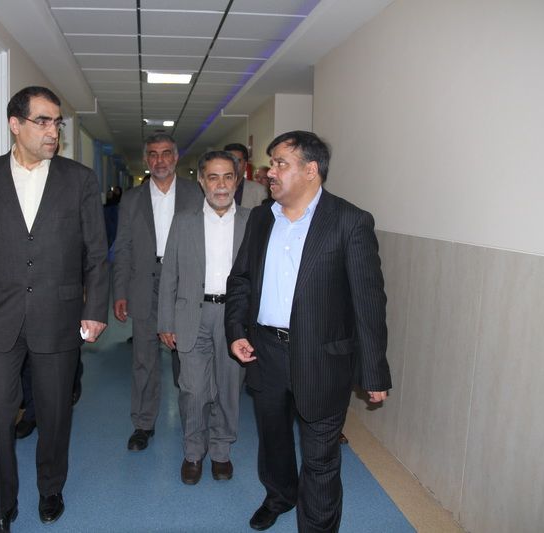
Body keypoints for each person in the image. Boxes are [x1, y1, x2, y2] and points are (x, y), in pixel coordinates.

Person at [0, 86, 108, 532]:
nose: (52, 131)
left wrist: (95, 309)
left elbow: (97, 253)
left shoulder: (79, 179)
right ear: (15, 124)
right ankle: (2, 507)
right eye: (42, 121)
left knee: (55, 412)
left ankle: (50, 488)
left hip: (58, 315)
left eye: (56, 122)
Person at [225, 131, 391, 532]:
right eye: (271, 163)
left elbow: (368, 303)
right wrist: (236, 330)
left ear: (311, 170)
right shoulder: (262, 218)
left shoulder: (350, 222)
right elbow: (241, 279)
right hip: (265, 351)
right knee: (273, 439)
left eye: (281, 163)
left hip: (322, 357)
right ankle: (279, 495)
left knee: (320, 459)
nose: (270, 172)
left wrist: (374, 372)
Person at [157, 151, 249, 485]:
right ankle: (193, 451)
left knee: (228, 388)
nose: (221, 185)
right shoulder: (184, 221)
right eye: (213, 177)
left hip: (235, 319)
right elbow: (169, 274)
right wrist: (165, 322)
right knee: (192, 390)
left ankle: (221, 450)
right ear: (201, 181)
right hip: (191, 315)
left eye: (228, 177)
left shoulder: (253, 222)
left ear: (237, 181)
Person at [113, 133, 203, 452]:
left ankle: (193, 421)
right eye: (153, 154)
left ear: (176, 157)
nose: (160, 160)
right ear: (146, 160)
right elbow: (123, 247)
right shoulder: (131, 199)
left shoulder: (196, 193)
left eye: (166, 153)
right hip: (144, 284)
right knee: (144, 359)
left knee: (187, 357)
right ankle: (143, 424)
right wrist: (120, 291)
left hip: (184, 284)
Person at [224, 142, 268, 208]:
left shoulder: (259, 191)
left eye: (238, 161)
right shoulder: (212, 188)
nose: (233, 165)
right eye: (229, 161)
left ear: (245, 165)